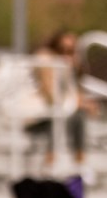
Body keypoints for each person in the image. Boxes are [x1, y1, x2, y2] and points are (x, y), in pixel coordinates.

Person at [24, 29, 95, 178]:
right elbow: (51, 96)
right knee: (59, 117)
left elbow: (73, 95)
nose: (66, 55)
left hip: (59, 113)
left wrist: (73, 70)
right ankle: (50, 162)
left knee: (78, 115)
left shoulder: (68, 68)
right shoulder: (45, 61)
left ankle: (80, 163)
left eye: (71, 51)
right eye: (62, 50)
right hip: (36, 115)